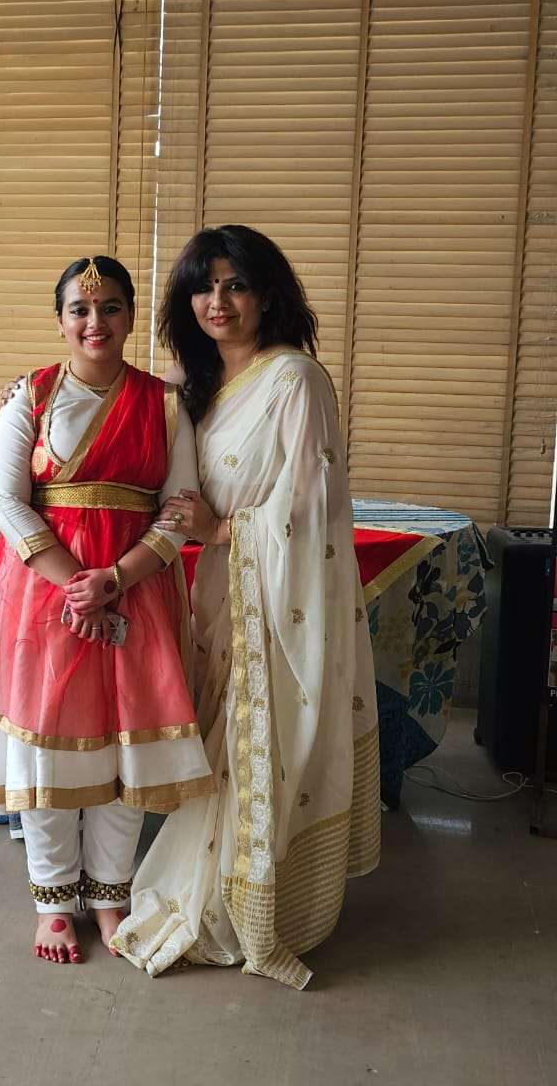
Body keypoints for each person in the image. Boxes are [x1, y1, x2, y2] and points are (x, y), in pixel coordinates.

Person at [107, 225, 380, 989]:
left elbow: (313, 505)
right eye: (203, 286)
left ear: (267, 295)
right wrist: (36, 393)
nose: (217, 301)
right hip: (217, 593)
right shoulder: (195, 385)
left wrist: (224, 530)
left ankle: (255, 898)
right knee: (218, 747)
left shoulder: (294, 380)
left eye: (235, 285)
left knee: (256, 744)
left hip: (276, 594)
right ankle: (227, 881)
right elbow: (125, 433)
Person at [0, 255, 215, 967]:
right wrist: (77, 587)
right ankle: (53, 900)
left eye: (111, 307)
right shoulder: (30, 397)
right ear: (61, 319)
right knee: (48, 746)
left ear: (131, 316)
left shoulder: (165, 404)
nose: (96, 322)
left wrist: (115, 581)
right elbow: (7, 502)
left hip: (138, 590)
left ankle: (110, 893)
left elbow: (180, 507)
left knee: (128, 741)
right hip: (42, 594)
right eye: (80, 309)